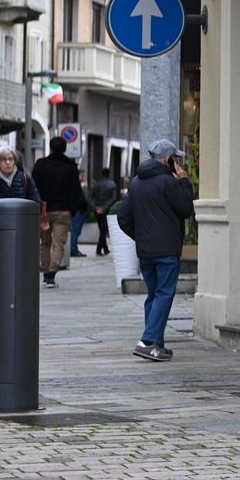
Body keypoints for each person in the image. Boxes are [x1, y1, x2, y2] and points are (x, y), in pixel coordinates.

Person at [119, 139, 195, 362]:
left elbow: (123, 217)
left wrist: (141, 237)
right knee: (164, 293)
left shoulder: (136, 183)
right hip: (166, 250)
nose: (179, 164)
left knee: (154, 295)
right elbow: (185, 210)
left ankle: (156, 345)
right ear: (168, 160)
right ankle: (148, 340)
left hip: (145, 251)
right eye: (176, 159)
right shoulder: (168, 182)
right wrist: (184, 182)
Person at [31, 138, 87, 288]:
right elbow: (75, 191)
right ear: (65, 148)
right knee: (58, 243)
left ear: (50, 147)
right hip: (63, 210)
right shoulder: (70, 167)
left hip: (43, 209)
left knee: (45, 242)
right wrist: (72, 209)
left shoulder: (40, 165)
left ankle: (45, 269)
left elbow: (33, 186)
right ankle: (51, 274)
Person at [90, 171, 119, 256]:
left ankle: (105, 249)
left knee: (102, 229)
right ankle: (99, 250)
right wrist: (104, 208)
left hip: (98, 209)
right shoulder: (112, 184)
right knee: (103, 230)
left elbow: (91, 198)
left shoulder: (96, 184)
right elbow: (113, 198)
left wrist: (95, 208)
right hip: (106, 210)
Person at [68, 171, 88, 258]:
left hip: (78, 211)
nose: (83, 177)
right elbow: (78, 199)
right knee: (75, 231)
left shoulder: (74, 186)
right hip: (78, 211)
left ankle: (74, 249)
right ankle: (73, 250)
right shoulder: (75, 186)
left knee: (76, 231)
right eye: (82, 175)